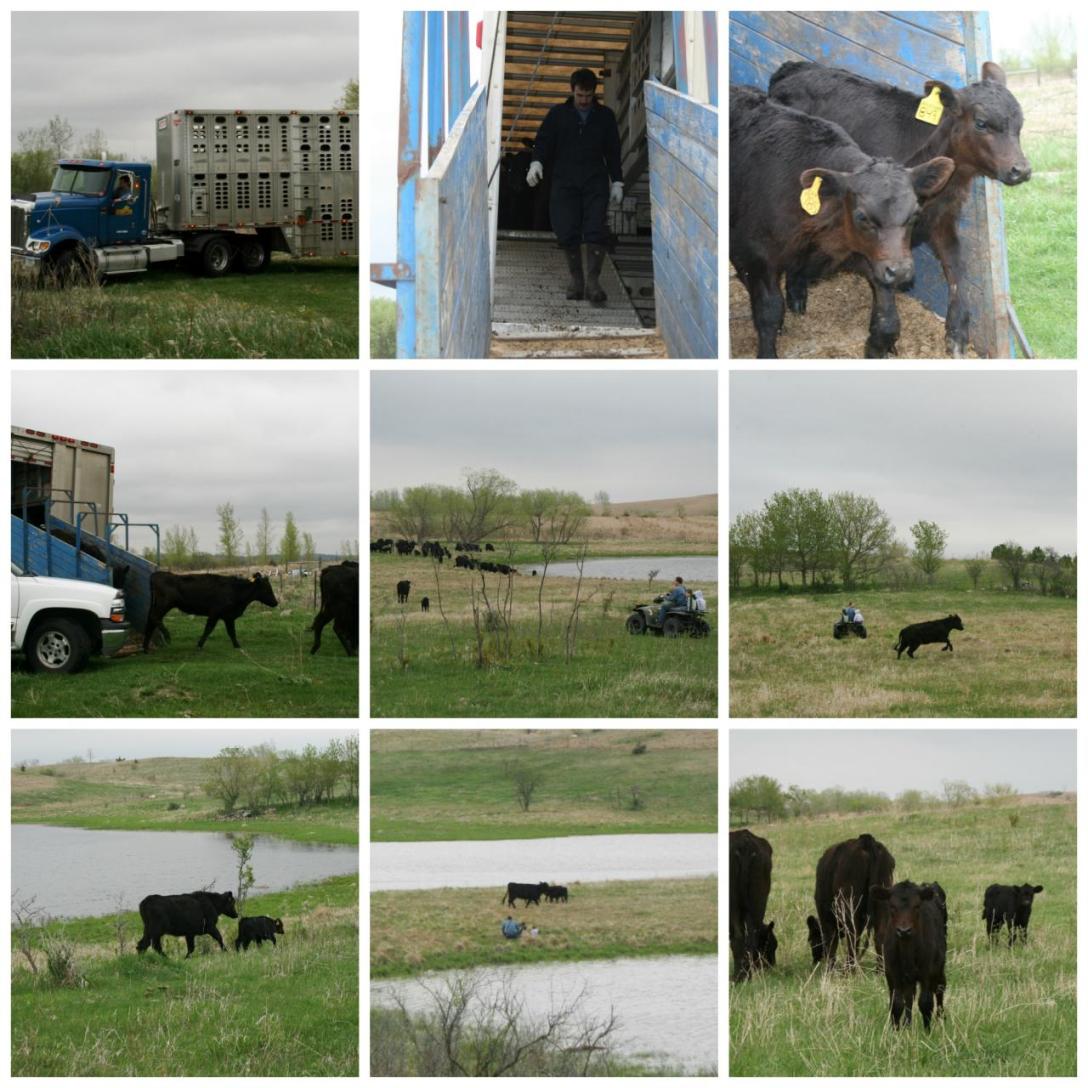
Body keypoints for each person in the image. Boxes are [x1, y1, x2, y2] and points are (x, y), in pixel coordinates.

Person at [525, 67, 623, 306]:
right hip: (564, 181)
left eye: (588, 96)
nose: (584, 101)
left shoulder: (605, 117)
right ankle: (576, 281)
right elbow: (544, 141)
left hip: (594, 181)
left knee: (594, 229)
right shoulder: (558, 115)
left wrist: (617, 180)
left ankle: (593, 283)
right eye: (580, 96)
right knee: (566, 229)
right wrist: (536, 162)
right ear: (573, 91)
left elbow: (612, 150)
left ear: (594, 93)